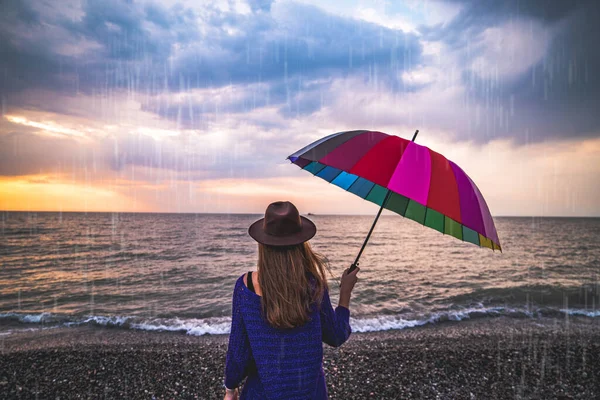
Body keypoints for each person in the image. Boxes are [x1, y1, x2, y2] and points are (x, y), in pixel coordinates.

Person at [223, 201, 359, 400]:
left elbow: (239, 352)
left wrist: (230, 389)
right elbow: (336, 335)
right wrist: (345, 292)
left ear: (263, 243)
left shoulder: (246, 287)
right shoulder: (313, 285)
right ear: (301, 243)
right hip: (310, 393)